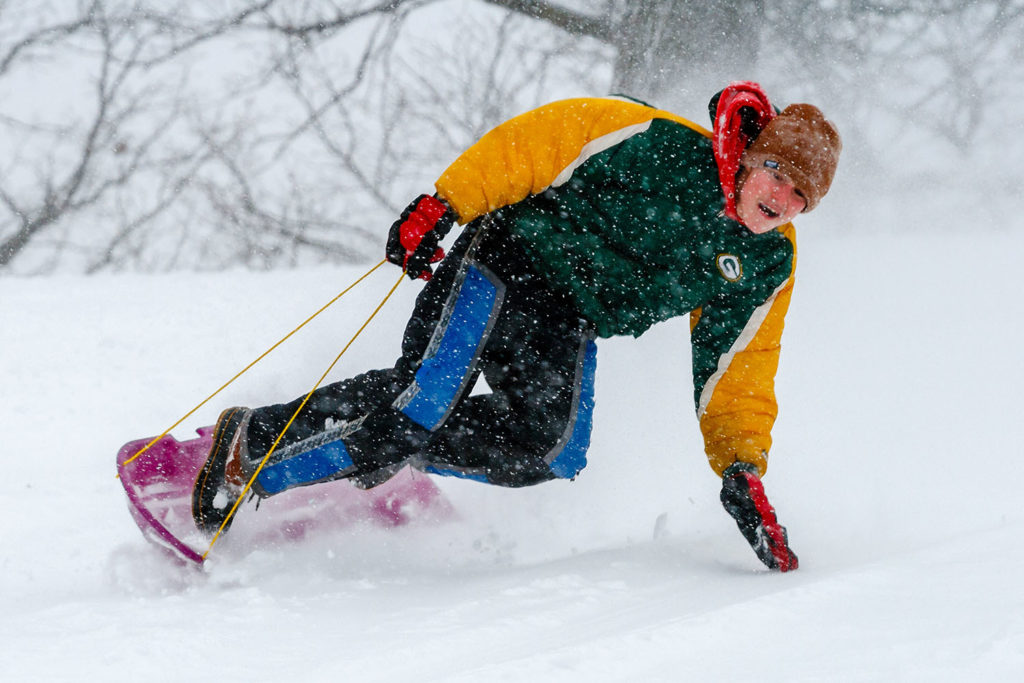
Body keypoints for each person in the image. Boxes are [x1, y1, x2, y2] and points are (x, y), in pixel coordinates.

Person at [192, 82, 841, 572]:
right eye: (779, 174)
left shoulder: (764, 262)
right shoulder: (659, 143)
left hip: (565, 314)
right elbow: (540, 140)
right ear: (756, 154)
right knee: (419, 403)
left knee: (550, 447)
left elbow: (740, 363)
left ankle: (378, 453)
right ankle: (247, 449)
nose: (780, 199)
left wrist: (741, 467)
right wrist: (445, 203)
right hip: (508, 257)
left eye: (799, 198)